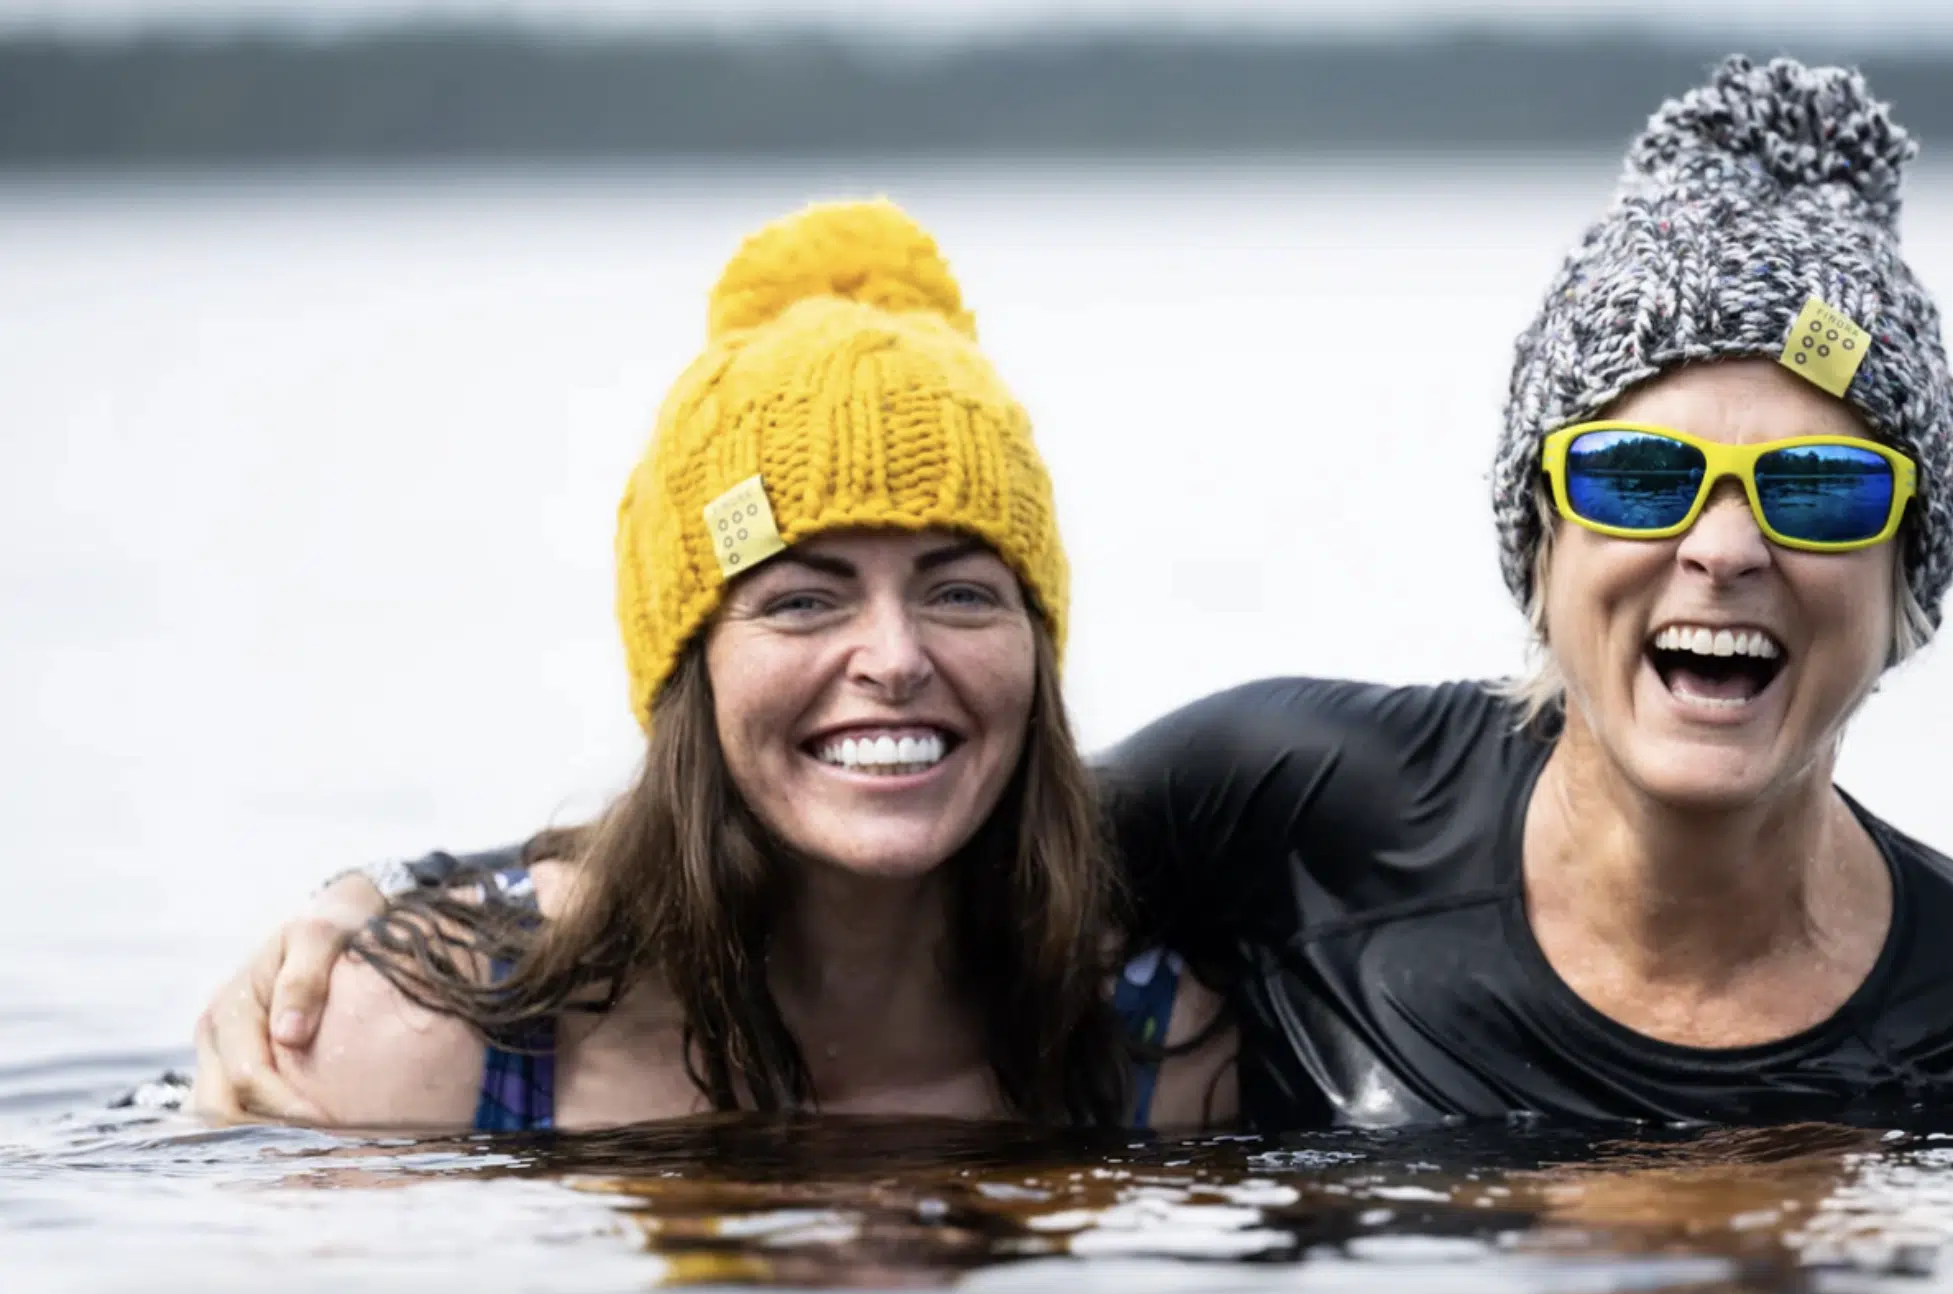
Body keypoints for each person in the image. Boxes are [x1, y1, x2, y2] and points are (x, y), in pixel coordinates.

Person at [195, 57, 1953, 1131]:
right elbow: (881, 840)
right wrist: (414, 905)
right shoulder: (1289, 807)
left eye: (1816, 486)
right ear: (1538, 545)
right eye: (1641, 473)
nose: (1721, 546)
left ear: (1905, 579)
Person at [217, 196, 1236, 1131]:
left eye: (960, 592)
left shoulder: (1161, 1049)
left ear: (1037, 650)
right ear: (687, 670)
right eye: (801, 600)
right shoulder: (411, 1040)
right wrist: (379, 889)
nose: (893, 657)